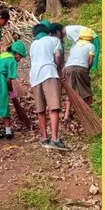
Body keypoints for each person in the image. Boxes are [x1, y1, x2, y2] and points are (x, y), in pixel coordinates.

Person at [28, 23, 68, 151]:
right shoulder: (54, 40)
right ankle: (55, 139)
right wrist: (59, 69)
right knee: (54, 107)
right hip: (49, 73)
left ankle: (44, 137)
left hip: (34, 77)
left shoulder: (33, 45)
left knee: (41, 109)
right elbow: (57, 57)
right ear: (47, 32)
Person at [62, 27, 96, 121]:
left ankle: (66, 115)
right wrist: (87, 71)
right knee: (87, 92)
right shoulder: (91, 46)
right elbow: (90, 61)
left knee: (71, 92)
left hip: (67, 68)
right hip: (81, 68)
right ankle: (88, 114)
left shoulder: (74, 45)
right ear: (90, 38)